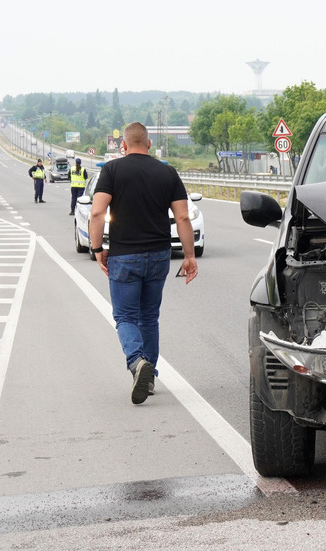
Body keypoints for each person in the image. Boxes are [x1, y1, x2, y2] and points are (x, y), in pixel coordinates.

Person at [89, 122, 198, 405]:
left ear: (123, 146)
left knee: (125, 317)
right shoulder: (167, 172)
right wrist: (189, 256)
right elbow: (183, 218)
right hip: (160, 255)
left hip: (124, 255)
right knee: (149, 317)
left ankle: (137, 362)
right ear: (149, 145)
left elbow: (98, 212)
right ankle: (148, 377)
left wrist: (97, 247)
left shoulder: (112, 170)